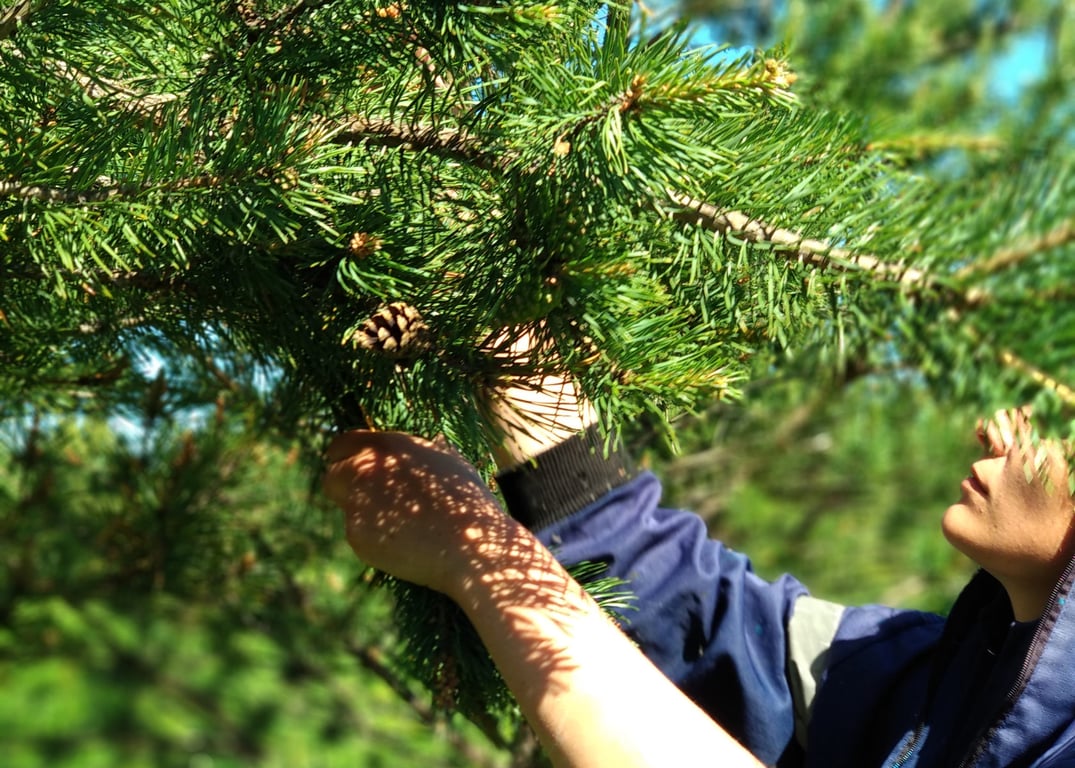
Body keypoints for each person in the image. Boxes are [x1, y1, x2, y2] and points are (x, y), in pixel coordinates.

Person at [322, 353, 1075, 767]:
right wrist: (518, 359)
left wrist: (478, 552)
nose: (995, 427)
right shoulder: (939, 675)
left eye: (1062, 421)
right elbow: (712, 623)